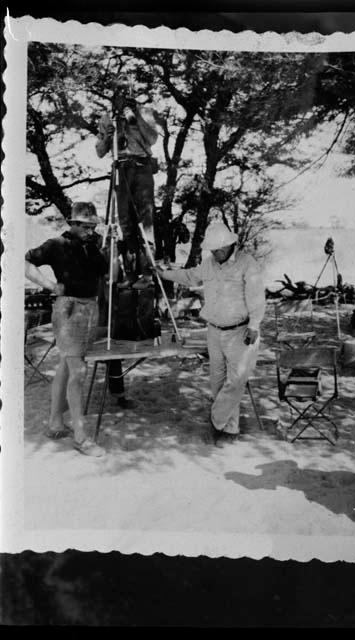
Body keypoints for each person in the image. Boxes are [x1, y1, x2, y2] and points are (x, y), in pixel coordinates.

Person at [156, 222, 266, 445]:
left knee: (236, 381)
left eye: (220, 248)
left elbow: (256, 297)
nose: (217, 253)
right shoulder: (208, 264)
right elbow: (189, 276)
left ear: (231, 243)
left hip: (241, 331)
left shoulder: (247, 264)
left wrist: (254, 325)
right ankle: (228, 430)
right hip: (214, 331)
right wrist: (164, 274)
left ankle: (215, 420)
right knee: (217, 382)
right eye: (213, 249)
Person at [25, 202, 108, 457]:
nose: (91, 230)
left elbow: (108, 274)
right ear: (73, 223)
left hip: (90, 310)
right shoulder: (55, 245)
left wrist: (111, 250)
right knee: (79, 371)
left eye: (93, 226)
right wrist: (50, 285)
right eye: (86, 226)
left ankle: (55, 423)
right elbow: (24, 261)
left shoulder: (93, 247)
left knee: (66, 366)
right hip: (69, 309)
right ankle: (81, 437)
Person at [95, 74, 159, 284]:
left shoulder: (145, 112)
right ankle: (131, 272)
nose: (122, 96)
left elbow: (152, 139)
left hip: (141, 168)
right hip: (121, 168)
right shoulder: (107, 118)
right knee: (125, 223)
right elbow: (100, 151)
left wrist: (135, 117)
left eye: (127, 91)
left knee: (145, 220)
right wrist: (107, 136)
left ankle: (148, 273)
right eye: (119, 92)